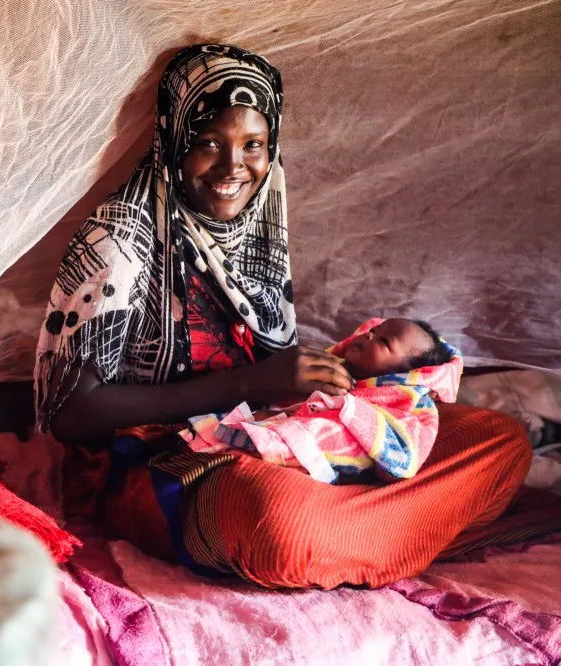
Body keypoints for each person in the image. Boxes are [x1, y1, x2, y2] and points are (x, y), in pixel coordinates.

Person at [34, 44, 546, 589]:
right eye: (209, 143)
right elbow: (71, 413)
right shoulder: (121, 238)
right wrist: (253, 382)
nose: (235, 167)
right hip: (158, 463)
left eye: (253, 144)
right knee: (279, 521)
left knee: (498, 439)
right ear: (174, 139)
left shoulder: (257, 229)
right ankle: (380, 534)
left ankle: (361, 535)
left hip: (276, 435)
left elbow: (286, 394)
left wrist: (352, 396)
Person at [191, 317, 462, 485]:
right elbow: (287, 395)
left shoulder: (402, 400)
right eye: (374, 329)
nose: (369, 335)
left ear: (406, 371)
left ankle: (269, 449)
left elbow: (403, 452)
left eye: (384, 341)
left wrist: (351, 410)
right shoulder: (330, 367)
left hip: (319, 464)